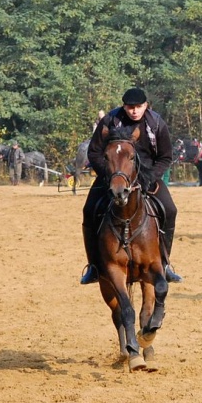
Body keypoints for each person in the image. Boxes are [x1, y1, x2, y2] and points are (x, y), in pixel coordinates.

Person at [80, 88, 183, 285]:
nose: (134, 111)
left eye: (138, 107)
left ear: (146, 105)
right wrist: (109, 175)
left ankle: (165, 263)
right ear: (124, 106)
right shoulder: (110, 121)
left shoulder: (156, 123)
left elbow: (165, 157)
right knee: (89, 210)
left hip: (148, 176)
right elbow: (94, 153)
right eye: (130, 107)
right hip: (113, 175)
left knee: (170, 210)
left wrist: (150, 177)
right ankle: (93, 266)